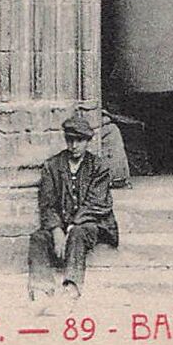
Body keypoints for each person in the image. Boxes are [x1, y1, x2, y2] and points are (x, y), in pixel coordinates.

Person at [28, 110, 119, 303]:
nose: (74, 146)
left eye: (79, 141)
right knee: (38, 238)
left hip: (90, 224)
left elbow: (97, 203)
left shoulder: (98, 167)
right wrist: (56, 230)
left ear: (88, 141)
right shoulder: (52, 166)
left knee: (78, 233)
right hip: (61, 224)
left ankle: (71, 287)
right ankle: (42, 289)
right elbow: (47, 203)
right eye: (70, 140)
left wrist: (70, 227)